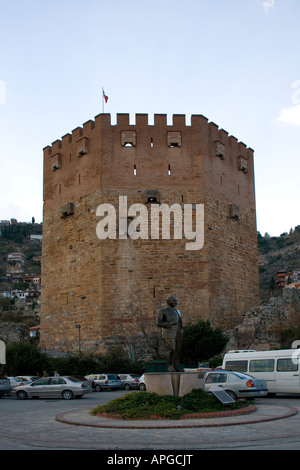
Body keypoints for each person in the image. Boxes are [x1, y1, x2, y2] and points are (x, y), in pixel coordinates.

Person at [156, 296, 183, 371]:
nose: (175, 302)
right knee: (172, 350)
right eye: (173, 301)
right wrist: (170, 323)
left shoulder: (178, 312)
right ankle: (170, 366)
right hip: (169, 333)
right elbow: (158, 323)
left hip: (178, 333)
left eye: (176, 301)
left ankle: (176, 366)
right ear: (168, 302)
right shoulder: (163, 311)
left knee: (178, 350)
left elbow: (180, 323)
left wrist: (181, 331)